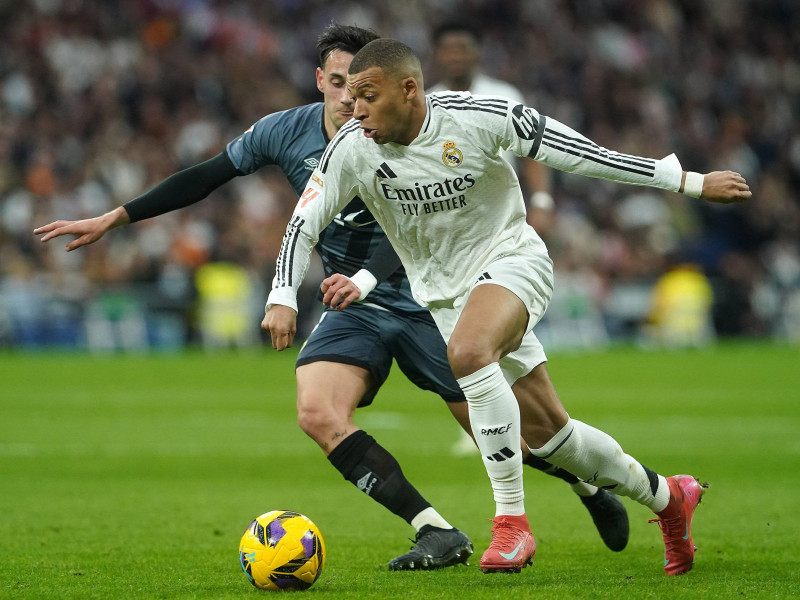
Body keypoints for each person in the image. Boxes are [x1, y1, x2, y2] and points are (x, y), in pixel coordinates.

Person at [33, 24, 626, 571]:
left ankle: (587, 484)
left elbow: (418, 228)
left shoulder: (396, 138)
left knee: (504, 432)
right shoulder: (283, 132)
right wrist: (116, 216)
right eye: (339, 83)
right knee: (316, 412)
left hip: (431, 296)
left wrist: (365, 277)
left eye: (361, 87)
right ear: (321, 80)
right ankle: (434, 529)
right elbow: (207, 174)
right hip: (355, 307)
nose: (350, 99)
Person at [261, 38, 751, 575]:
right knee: (553, 438)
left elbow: (583, 154)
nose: (356, 111)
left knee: (469, 354)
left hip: (513, 261)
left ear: (409, 89)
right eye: (352, 98)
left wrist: (687, 181)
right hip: (444, 296)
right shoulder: (353, 146)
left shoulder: (480, 117)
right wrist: (282, 293)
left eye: (368, 97)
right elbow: (302, 221)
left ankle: (511, 525)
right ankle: (667, 496)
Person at [428, 20, 555, 456]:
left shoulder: (503, 95)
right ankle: (501, 423)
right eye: (449, 49)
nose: (456, 56)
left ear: (477, 53)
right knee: (468, 340)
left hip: (502, 225)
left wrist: (542, 199)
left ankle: (504, 426)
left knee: (488, 338)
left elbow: (534, 149)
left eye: (464, 47)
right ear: (438, 56)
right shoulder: (425, 103)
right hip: (453, 238)